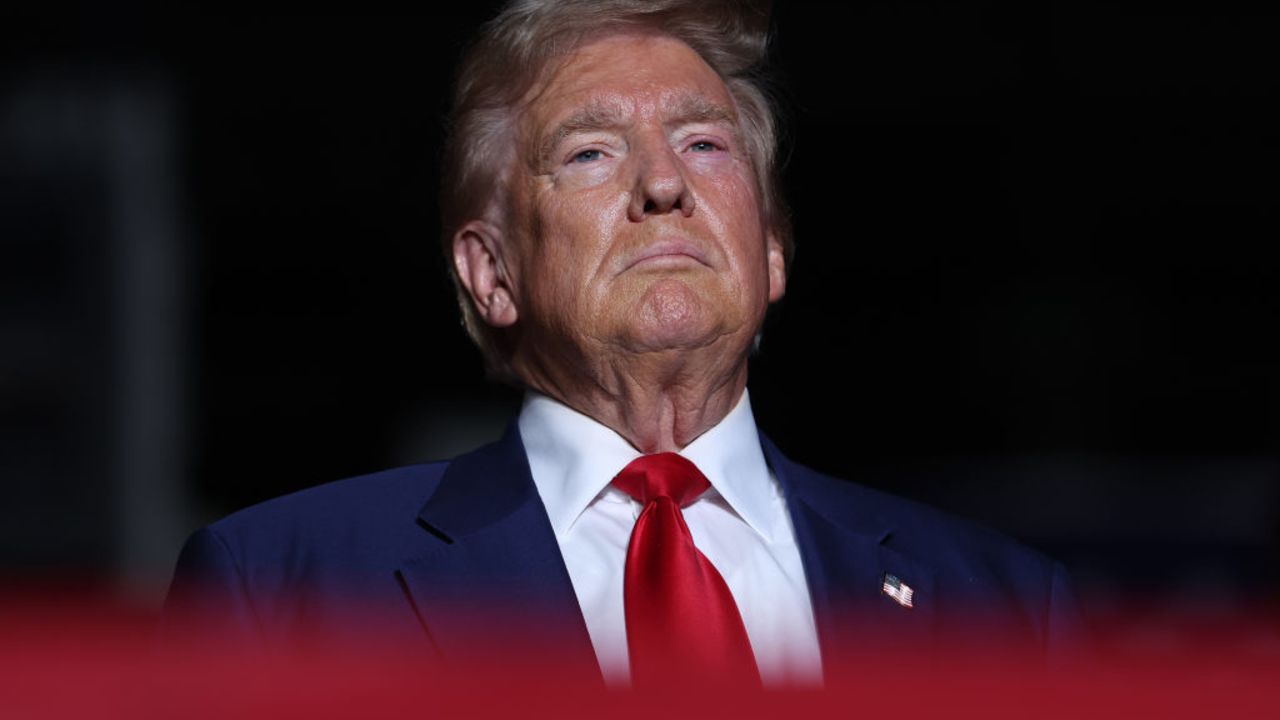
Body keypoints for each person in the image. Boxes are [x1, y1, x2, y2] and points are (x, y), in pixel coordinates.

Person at [166, 0, 1082, 688]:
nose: (662, 184)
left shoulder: (1002, 607)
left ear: (770, 250)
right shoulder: (283, 589)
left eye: (705, 145)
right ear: (492, 273)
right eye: (591, 152)